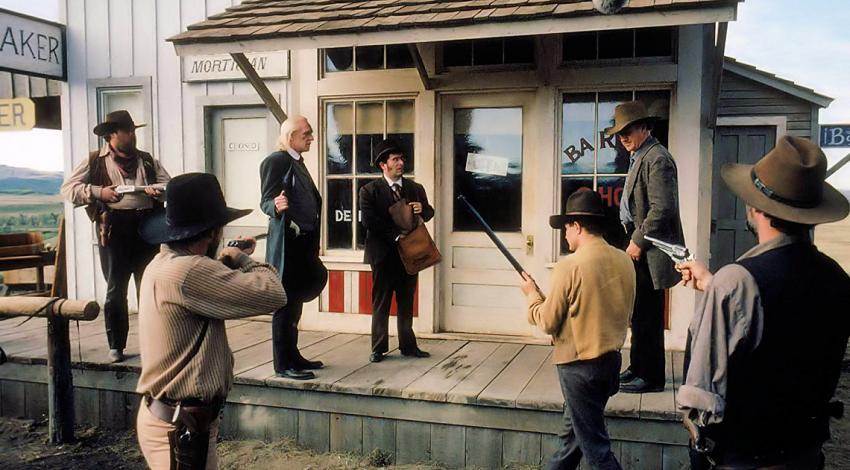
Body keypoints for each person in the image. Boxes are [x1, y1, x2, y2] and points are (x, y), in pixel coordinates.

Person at [677, 136, 850, 469]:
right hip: (806, 454)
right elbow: (787, 313)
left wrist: (719, 289)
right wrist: (713, 284)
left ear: (755, 208)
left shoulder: (736, 283)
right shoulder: (838, 279)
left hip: (745, 457)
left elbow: (700, 399)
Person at [135, 173, 286, 469]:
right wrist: (243, 260)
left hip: (177, 419)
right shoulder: (190, 272)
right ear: (212, 232)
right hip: (181, 427)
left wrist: (224, 260)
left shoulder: (163, 263)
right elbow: (274, 293)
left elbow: (199, 283)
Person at [520, 188, 635, 470]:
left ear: (578, 226)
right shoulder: (625, 260)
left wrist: (532, 295)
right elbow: (593, 309)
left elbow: (547, 321)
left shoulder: (569, 266)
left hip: (579, 368)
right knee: (570, 441)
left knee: (597, 451)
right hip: (610, 365)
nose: (564, 234)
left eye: (566, 227)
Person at [61, 110, 170, 363]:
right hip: (114, 229)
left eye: (133, 130)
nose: (132, 134)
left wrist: (158, 193)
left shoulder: (147, 160)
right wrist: (99, 192)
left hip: (148, 227)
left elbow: (170, 186)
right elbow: (69, 189)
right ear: (112, 135)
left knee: (149, 288)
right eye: (127, 130)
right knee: (115, 289)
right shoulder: (94, 160)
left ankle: (153, 345)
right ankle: (116, 346)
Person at [606, 101, 684, 393]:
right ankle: (638, 367)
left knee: (649, 315)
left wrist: (637, 242)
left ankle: (651, 377)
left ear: (645, 127)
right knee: (639, 312)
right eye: (620, 132)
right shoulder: (640, 155)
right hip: (640, 245)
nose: (623, 137)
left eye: (629, 130)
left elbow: (663, 209)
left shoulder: (657, 158)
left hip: (650, 249)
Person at [260, 116, 324, 380]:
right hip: (288, 246)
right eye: (307, 134)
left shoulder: (297, 161)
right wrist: (275, 206)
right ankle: (282, 364)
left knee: (295, 302)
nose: (311, 137)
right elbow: (265, 201)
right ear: (291, 137)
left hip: (303, 245)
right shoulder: (276, 161)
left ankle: (293, 355)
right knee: (284, 305)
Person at [359, 139, 434, 363]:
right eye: (395, 159)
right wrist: (395, 234)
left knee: (406, 300)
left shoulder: (415, 189)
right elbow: (369, 221)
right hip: (382, 255)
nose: (401, 163)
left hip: (410, 254)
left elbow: (428, 213)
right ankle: (378, 348)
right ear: (383, 165)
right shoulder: (369, 191)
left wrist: (425, 210)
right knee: (381, 301)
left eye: (402, 158)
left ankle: (408, 346)